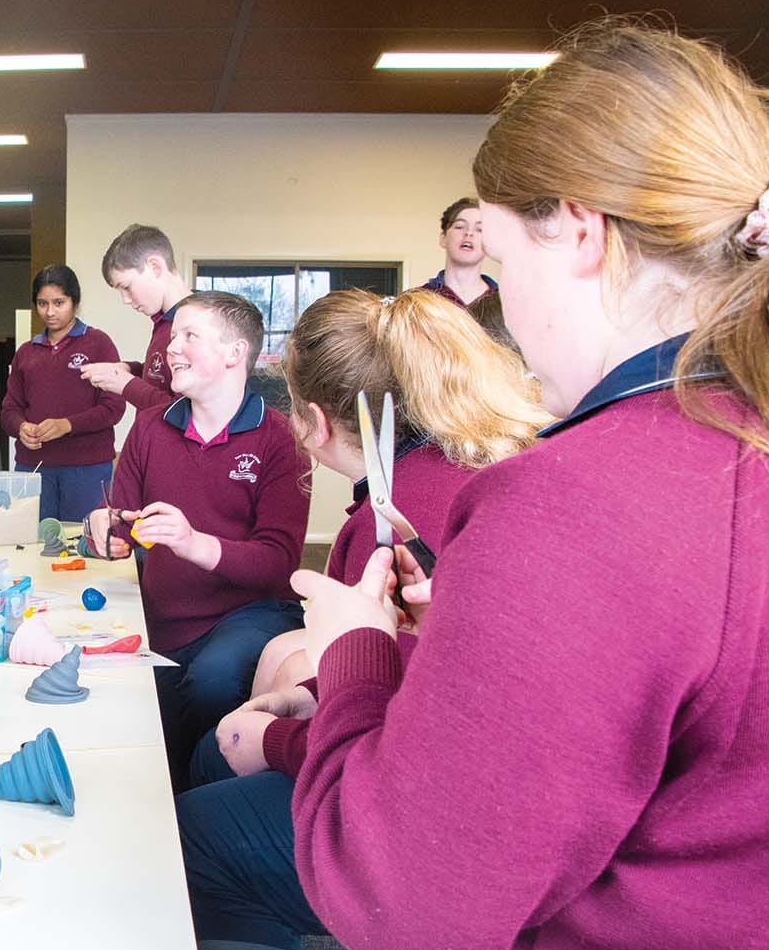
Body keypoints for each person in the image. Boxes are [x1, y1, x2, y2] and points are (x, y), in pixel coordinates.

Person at [199, 22, 769, 950]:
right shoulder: (764, 446)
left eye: (501, 258)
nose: (508, 317)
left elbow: (402, 914)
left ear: (577, 228)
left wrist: (356, 650)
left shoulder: (580, 495)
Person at [190, 287, 549, 785]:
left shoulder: (382, 526)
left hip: (441, 781)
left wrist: (274, 743)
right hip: (466, 742)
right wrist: (314, 692)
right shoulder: (455, 467)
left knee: (206, 785)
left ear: (313, 422)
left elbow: (397, 734)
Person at [83, 291, 308, 792]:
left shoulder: (280, 440)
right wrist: (104, 527)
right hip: (162, 618)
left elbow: (279, 563)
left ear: (235, 353)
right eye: (172, 336)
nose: (170, 350)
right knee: (124, 705)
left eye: (190, 336)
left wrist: (192, 543)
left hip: (247, 616)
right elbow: (121, 520)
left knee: (211, 682)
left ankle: (201, 805)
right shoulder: (148, 427)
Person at [0, 264, 126, 521]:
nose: (50, 312)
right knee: (32, 544)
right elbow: (9, 409)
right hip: (33, 468)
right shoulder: (26, 352)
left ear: (75, 302)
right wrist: (20, 427)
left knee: (86, 545)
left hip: (87, 469)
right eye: (42, 303)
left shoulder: (99, 343)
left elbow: (113, 408)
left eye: (59, 302)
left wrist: (67, 425)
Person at [79, 224, 193, 410]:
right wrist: (130, 370)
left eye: (126, 287)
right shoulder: (164, 321)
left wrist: (127, 385)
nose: (125, 299)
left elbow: (185, 411)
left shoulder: (197, 325)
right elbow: (163, 377)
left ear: (154, 267)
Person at [419, 197, 497, 309]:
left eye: (480, 229)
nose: (469, 233)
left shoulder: (506, 303)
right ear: (443, 238)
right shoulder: (418, 302)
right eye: (460, 227)